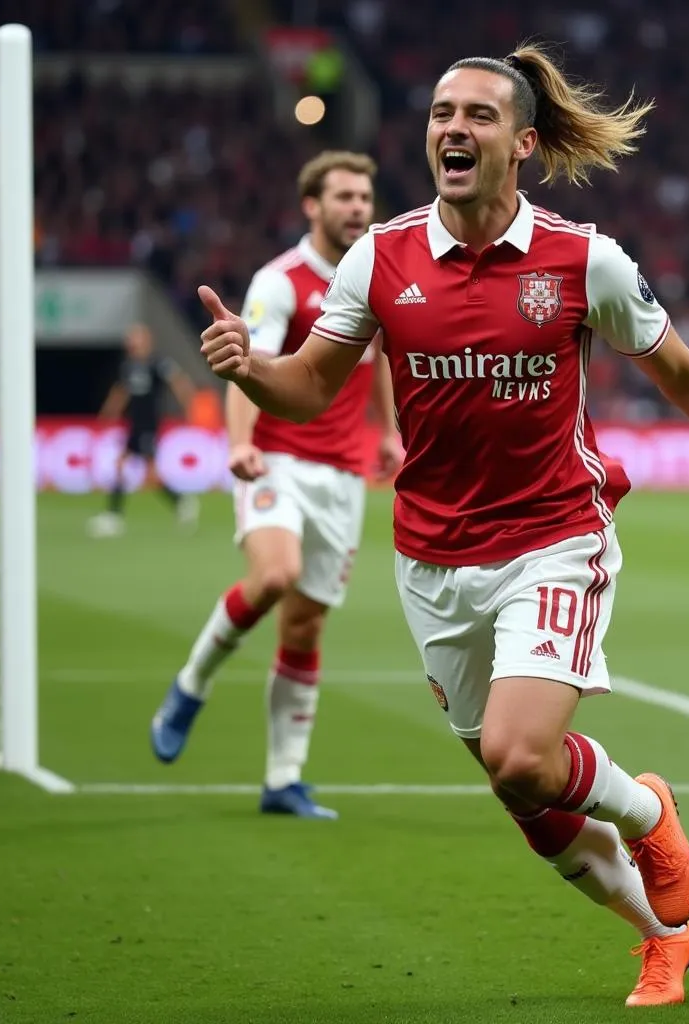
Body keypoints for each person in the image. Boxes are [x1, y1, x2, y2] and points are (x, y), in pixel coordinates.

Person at [193, 45, 689, 1007]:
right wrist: (250, 366)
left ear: (524, 143)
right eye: (441, 113)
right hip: (431, 556)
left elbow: (685, 377)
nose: (453, 129)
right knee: (522, 796)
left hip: (554, 537)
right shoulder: (382, 258)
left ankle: (646, 810)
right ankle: (664, 935)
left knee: (519, 754)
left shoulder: (585, 261)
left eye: (479, 116)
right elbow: (311, 385)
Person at [150, 151, 402, 820]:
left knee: (305, 624)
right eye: (343, 196)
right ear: (312, 207)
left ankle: (283, 780)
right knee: (273, 577)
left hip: (344, 475)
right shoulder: (280, 281)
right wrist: (239, 443)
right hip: (278, 461)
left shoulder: (372, 278)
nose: (357, 207)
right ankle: (191, 682)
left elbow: (377, 356)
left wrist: (388, 431)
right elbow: (245, 363)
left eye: (364, 197)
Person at [87, 324, 199, 538]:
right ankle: (114, 516)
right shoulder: (128, 366)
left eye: (135, 338)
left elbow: (179, 382)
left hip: (149, 426)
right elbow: (121, 392)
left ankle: (181, 501)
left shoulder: (158, 363)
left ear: (146, 340)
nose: (131, 342)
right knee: (120, 464)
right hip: (134, 425)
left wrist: (187, 404)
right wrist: (110, 412)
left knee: (151, 475)